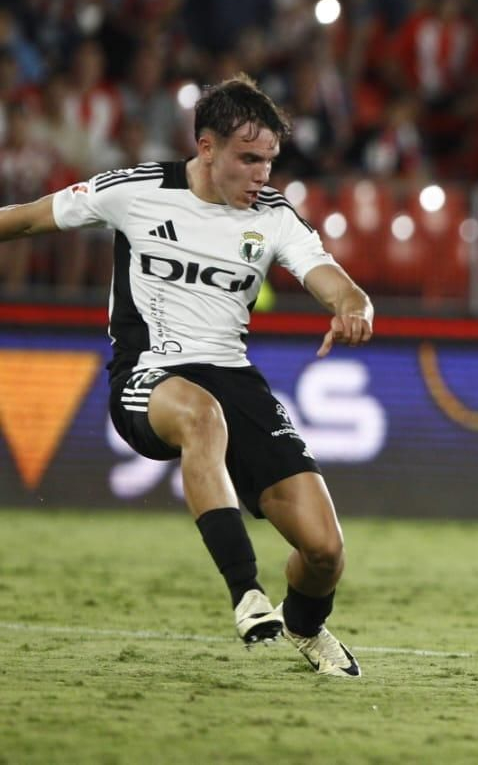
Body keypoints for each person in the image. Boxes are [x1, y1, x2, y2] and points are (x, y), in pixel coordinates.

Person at [0, 75, 372, 677]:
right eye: (248, 159)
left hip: (233, 376)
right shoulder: (136, 190)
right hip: (150, 374)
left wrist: (354, 309)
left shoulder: (274, 215)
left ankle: (305, 625)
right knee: (202, 416)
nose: (262, 176)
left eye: (270, 161)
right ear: (206, 147)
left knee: (325, 551)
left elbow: (336, 282)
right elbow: (26, 221)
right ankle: (245, 592)